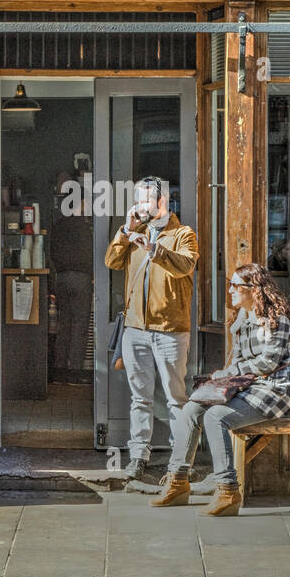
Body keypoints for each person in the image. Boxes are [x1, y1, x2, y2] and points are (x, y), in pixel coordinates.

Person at [151, 262, 290, 516]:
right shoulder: (241, 320)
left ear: (253, 290)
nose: (229, 290)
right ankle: (177, 481)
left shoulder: (276, 321)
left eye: (235, 285)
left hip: (275, 389)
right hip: (249, 386)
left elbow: (269, 362)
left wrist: (231, 372)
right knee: (191, 409)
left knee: (215, 417)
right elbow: (239, 362)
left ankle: (227, 491)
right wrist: (229, 374)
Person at [103, 176, 198, 480]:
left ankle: (180, 462)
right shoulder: (134, 233)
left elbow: (186, 265)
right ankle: (137, 457)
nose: (140, 206)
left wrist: (155, 248)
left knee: (176, 399)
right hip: (135, 330)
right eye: (137, 200)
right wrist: (127, 230)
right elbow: (111, 261)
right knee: (139, 398)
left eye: (145, 200)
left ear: (162, 201)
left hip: (170, 330)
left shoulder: (183, 234)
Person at [50, 170, 93, 383]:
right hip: (82, 278)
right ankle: (75, 372)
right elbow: (90, 255)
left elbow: (51, 254)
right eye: (85, 202)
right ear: (79, 203)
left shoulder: (58, 225)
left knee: (63, 324)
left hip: (61, 278)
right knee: (80, 326)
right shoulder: (85, 228)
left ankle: (59, 371)